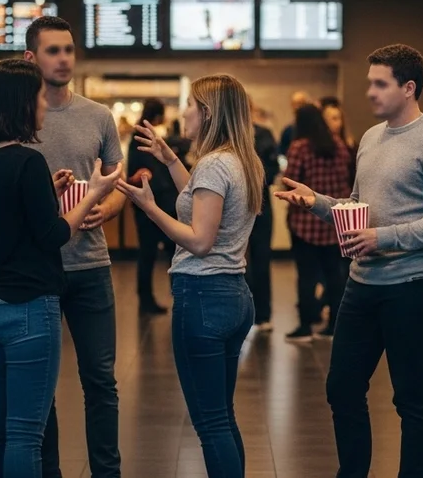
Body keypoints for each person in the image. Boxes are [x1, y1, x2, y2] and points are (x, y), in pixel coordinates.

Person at [276, 44, 423, 478]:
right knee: (342, 389)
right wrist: (317, 201)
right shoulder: (369, 138)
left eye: (380, 84)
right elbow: (358, 206)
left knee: (410, 398)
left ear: (408, 88)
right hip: (362, 285)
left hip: (412, 287)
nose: (370, 92)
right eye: (370, 83)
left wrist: (384, 237)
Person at [0, 59, 122, 478]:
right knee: (24, 434)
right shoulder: (28, 160)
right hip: (28, 307)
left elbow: (7, 213)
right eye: (37, 97)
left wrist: (45, 192)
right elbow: (53, 235)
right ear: (21, 102)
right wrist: (94, 195)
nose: (42, 106)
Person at [117, 74, 266, 478]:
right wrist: (171, 160)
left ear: (208, 113)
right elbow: (199, 202)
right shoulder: (242, 160)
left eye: (190, 105)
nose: (183, 112)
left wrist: (150, 208)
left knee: (211, 423)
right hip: (234, 295)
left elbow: (200, 240)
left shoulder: (215, 164)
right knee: (222, 415)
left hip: (203, 297)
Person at [21, 16, 126, 478]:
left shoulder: (98, 116)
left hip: (90, 264)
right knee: (41, 385)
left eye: (68, 49)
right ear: (31, 58)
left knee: (100, 380)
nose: (64, 58)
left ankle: (107, 472)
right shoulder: (19, 119)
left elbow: (117, 181)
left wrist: (110, 208)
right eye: (53, 50)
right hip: (37, 267)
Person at [284, 104, 353, 341]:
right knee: (335, 275)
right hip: (333, 221)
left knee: (307, 276)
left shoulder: (299, 147)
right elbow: (347, 179)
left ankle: (305, 326)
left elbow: (290, 181)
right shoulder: (339, 145)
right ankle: (333, 325)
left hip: (305, 223)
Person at [127, 99, 177, 314]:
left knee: (151, 253)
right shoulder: (144, 137)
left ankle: (149, 300)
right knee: (155, 253)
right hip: (154, 204)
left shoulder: (142, 136)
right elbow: (138, 173)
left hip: (153, 204)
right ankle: (153, 300)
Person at [249, 98, 280, 332]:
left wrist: (253, 177)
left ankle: (263, 314)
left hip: (261, 205)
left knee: (260, 261)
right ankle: (245, 313)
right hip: (238, 206)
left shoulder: (264, 135)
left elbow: (273, 168)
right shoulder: (228, 137)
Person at [278, 90, 312, 157]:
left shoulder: (314, 129)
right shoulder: (288, 130)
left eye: (300, 103)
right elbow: (281, 152)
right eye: (294, 104)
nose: (297, 107)